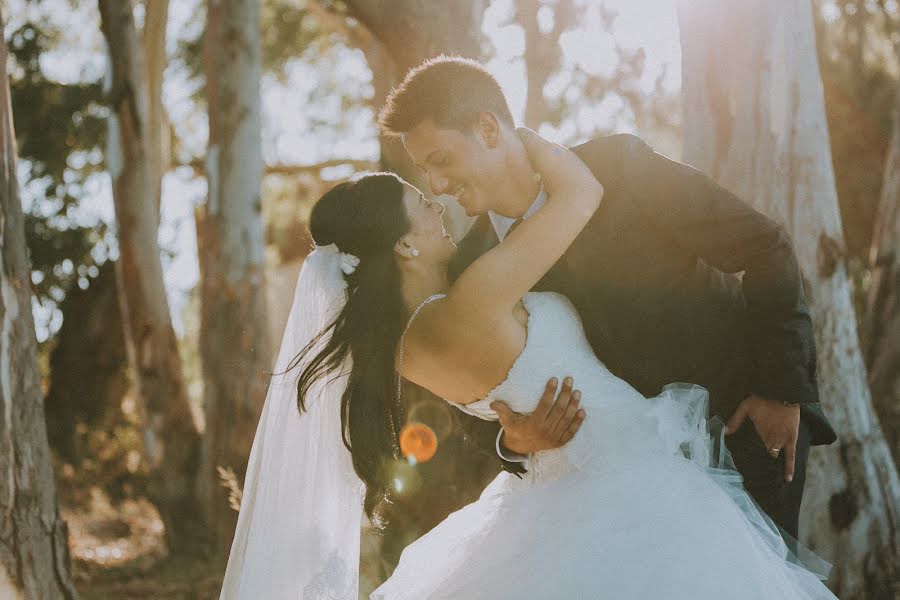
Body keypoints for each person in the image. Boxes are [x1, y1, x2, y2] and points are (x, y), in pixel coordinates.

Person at [220, 126, 837, 599]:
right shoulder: (472, 299)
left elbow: (495, 409)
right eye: (423, 203)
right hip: (640, 485)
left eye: (436, 169)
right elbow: (580, 194)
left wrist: (513, 439)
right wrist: (516, 135)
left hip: (571, 490)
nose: (438, 201)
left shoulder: (407, 341)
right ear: (404, 245)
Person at [377, 56, 837, 541]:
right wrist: (510, 441)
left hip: (742, 422)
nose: (436, 186)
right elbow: (475, 393)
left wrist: (782, 391)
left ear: (489, 130)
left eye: (441, 160)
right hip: (620, 487)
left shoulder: (619, 167)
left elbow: (765, 246)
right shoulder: (471, 264)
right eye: (426, 171)